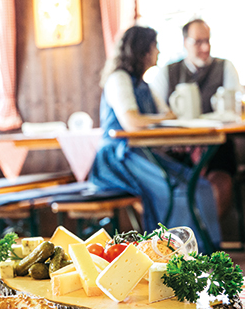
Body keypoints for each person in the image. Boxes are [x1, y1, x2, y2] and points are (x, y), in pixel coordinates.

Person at [89, 26, 221, 251]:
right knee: (175, 191)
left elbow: (167, 114)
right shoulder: (118, 79)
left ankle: (208, 250)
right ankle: (172, 255)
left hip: (141, 152)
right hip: (119, 157)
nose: (158, 52)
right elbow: (131, 121)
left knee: (199, 185)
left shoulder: (143, 84)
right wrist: (155, 118)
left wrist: (153, 119)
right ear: (142, 51)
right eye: (154, 47)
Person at [149, 18, 244, 218]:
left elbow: (235, 109)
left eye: (208, 41)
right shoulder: (167, 72)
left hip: (218, 145)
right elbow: (157, 112)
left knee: (221, 180)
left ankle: (208, 242)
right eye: (198, 42)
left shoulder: (225, 67)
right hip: (178, 148)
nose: (205, 47)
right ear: (185, 43)